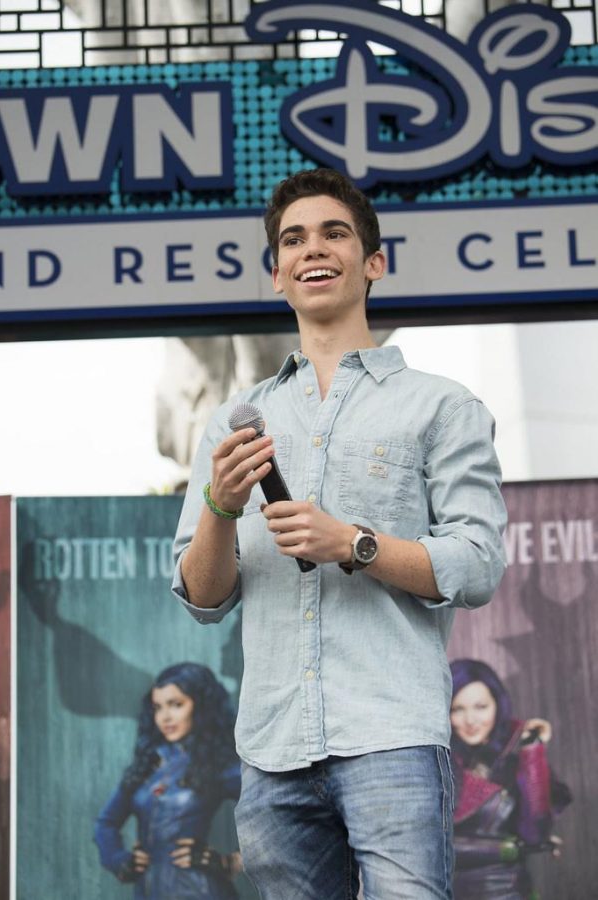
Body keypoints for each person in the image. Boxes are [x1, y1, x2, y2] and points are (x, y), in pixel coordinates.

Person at [172, 167, 508, 900]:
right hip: (269, 748)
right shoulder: (234, 419)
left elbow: (478, 564)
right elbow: (201, 598)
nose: (311, 249)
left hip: (389, 735)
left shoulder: (441, 407)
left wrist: (351, 543)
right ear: (277, 274)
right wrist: (220, 508)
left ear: (373, 263)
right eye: (292, 239)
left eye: (333, 233)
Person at [94, 662, 242, 899]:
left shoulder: (218, 765)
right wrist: (119, 860)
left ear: (200, 706)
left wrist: (230, 862)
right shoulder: (146, 766)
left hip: (200, 890)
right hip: (149, 889)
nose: (165, 717)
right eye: (158, 707)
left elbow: (270, 814)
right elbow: (105, 823)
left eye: (176, 704)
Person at [449, 658, 572, 899]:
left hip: (510, 892)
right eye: (457, 709)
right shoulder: (437, 764)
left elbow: (534, 833)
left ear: (498, 705)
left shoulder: (514, 762)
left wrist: (531, 750)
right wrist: (511, 848)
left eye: (480, 706)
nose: (471, 720)